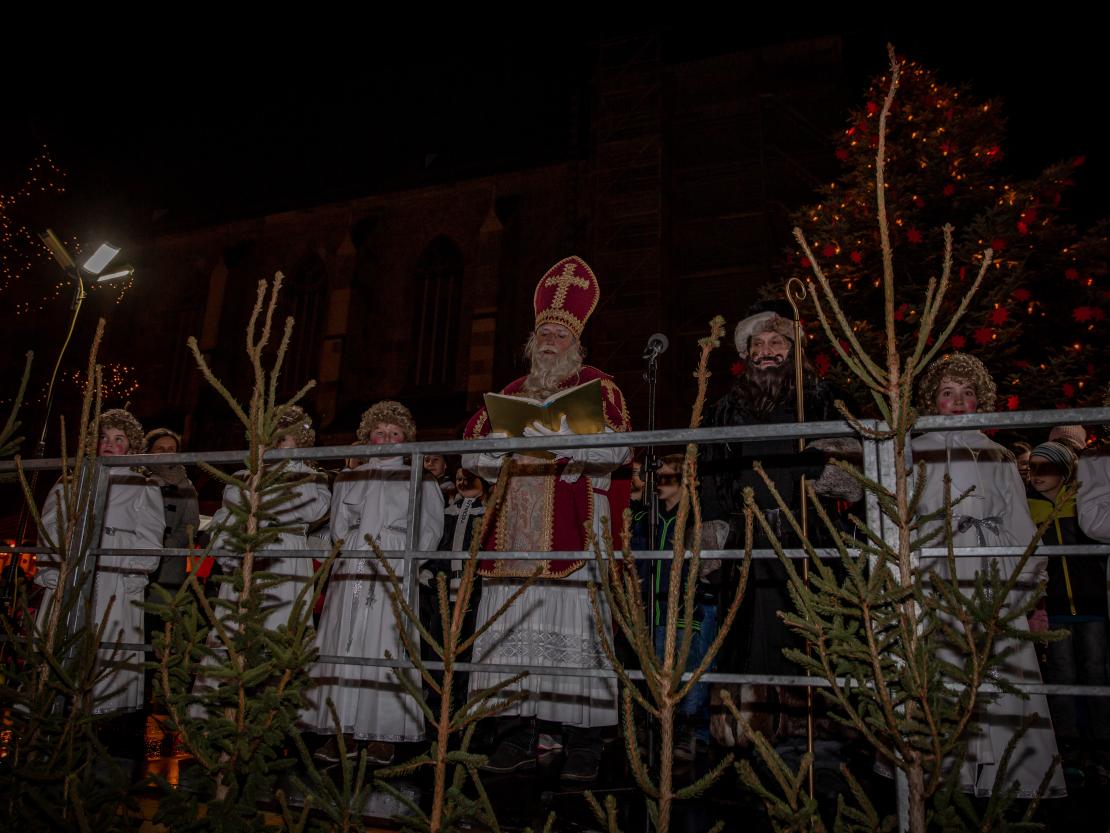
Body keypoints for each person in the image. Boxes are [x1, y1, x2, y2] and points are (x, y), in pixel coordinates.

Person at [462, 255, 632, 782]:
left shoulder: (599, 386)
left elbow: (621, 450)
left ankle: (583, 741)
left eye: (560, 332)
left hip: (573, 529)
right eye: (544, 332)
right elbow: (470, 452)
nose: (551, 339)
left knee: (577, 634)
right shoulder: (509, 394)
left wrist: (569, 440)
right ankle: (513, 734)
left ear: (577, 342)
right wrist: (498, 447)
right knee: (512, 628)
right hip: (512, 537)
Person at [701, 304, 856, 747]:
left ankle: (813, 733)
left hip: (808, 534)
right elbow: (711, 470)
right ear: (746, 353)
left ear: (792, 348)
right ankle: (745, 733)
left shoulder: (820, 395)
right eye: (759, 344)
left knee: (808, 634)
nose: (767, 351)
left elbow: (853, 451)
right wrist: (712, 527)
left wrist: (840, 473)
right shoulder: (725, 409)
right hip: (745, 537)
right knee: (746, 637)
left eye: (777, 343)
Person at [913, 352, 1064, 798]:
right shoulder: (916, 449)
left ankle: (1011, 771)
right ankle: (951, 770)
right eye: (947, 393)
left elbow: (1018, 516)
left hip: (992, 571)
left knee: (1001, 663)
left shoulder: (997, 452)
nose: (958, 401)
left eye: (968, 393)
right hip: (941, 568)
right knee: (948, 660)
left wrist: (1029, 575)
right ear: (932, 400)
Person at [304, 401, 444, 765]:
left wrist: (407, 558)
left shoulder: (419, 478)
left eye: (395, 434)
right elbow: (337, 526)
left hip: (392, 563)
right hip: (354, 566)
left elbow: (429, 527)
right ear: (368, 436)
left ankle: (383, 732)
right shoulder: (350, 477)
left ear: (406, 438)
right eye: (379, 433)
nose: (386, 439)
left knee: (387, 639)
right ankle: (341, 728)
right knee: (345, 637)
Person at [35, 409, 164, 716]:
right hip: (75, 561)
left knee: (108, 633)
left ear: (131, 447)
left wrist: (138, 571)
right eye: (104, 437)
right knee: (65, 629)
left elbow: (150, 532)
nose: (109, 444)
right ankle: (52, 700)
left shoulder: (142, 485)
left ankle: (103, 706)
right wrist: (50, 565)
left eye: (119, 439)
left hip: (115, 566)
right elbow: (51, 526)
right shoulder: (72, 480)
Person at [1026, 440, 1110, 782]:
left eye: (1046, 468)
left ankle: (1103, 751)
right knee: (1061, 676)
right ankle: (1068, 752)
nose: (1037, 475)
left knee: (1096, 674)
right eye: (1032, 468)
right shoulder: (1028, 507)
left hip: (1092, 605)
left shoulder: (1082, 503)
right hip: (1057, 606)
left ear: (1064, 471)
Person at [207, 406, 330, 631]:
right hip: (247, 554)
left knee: (280, 621)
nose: (278, 441)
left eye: (286, 435)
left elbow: (312, 510)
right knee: (238, 622)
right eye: (273, 435)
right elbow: (225, 518)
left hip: (287, 557)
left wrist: (291, 464)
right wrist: (229, 554)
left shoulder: (311, 478)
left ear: (300, 441)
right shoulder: (243, 476)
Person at [631, 453, 719, 760]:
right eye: (658, 478)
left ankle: (692, 732)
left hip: (687, 610)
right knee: (656, 675)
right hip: (653, 610)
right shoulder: (648, 518)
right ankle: (659, 731)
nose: (658, 485)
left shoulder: (695, 517)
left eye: (666, 478)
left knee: (690, 672)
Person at [143, 427, 200, 593]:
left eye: (171, 449)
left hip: (170, 563)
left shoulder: (185, 485)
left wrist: (169, 545)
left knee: (161, 611)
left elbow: (191, 522)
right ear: (149, 451)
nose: (166, 453)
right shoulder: (138, 480)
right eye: (160, 449)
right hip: (138, 555)